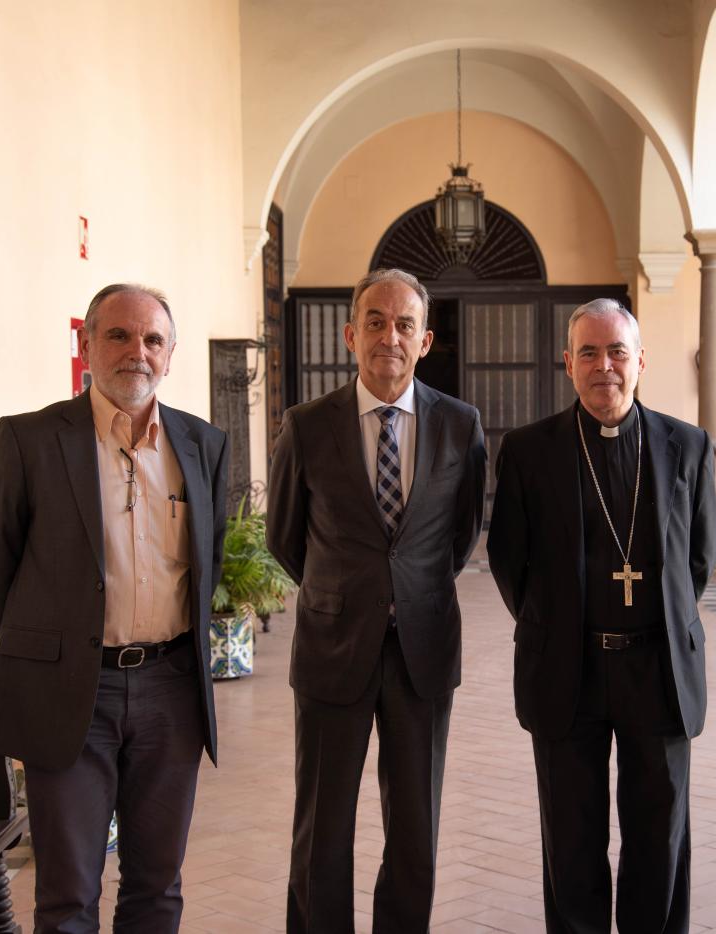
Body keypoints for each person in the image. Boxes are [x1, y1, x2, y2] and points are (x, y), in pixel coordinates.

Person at [0, 283, 229, 933]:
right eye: (118, 334)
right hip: (70, 694)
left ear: (170, 356)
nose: (136, 351)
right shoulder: (28, 440)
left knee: (157, 885)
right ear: (86, 344)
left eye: (152, 340)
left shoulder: (203, 445)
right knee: (67, 892)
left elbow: (209, 559)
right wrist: (57, 647)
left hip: (171, 691)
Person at [488, 298, 716, 934]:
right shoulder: (530, 452)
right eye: (588, 352)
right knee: (571, 839)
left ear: (640, 361)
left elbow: (699, 559)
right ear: (567, 363)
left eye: (617, 351)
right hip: (570, 667)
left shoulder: (688, 446)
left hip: (658, 668)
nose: (604, 365)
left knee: (659, 837)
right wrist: (557, 629)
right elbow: (510, 561)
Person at [267, 267, 486, 933]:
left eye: (404, 324)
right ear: (349, 334)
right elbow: (285, 539)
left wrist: (407, 592)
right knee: (321, 831)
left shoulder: (459, 425)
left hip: (422, 650)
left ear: (424, 341)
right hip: (334, 650)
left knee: (415, 832)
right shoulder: (306, 426)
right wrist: (348, 595)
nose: (389, 336)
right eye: (375, 321)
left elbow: (462, 532)